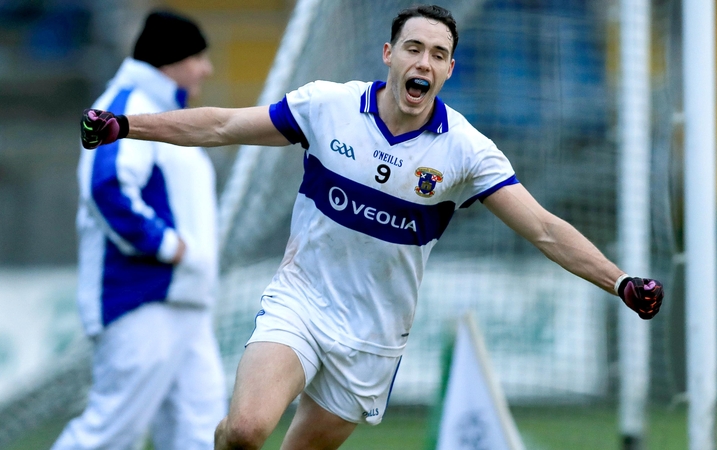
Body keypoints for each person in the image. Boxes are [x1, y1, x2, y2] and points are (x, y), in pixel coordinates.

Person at [79, 5, 663, 450]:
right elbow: (223, 124)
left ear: (450, 69)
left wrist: (619, 281)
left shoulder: (466, 151)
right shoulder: (326, 106)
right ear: (389, 54)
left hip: (374, 338)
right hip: (300, 302)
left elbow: (542, 228)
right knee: (246, 431)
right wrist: (126, 125)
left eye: (438, 54)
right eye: (414, 48)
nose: (423, 62)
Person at [55, 9, 226, 450]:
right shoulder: (127, 105)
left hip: (185, 301)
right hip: (141, 298)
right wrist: (169, 246)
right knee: (111, 433)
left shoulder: (161, 108)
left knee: (201, 432)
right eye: (198, 57)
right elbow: (105, 187)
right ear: (172, 60)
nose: (205, 68)